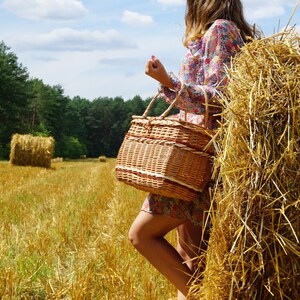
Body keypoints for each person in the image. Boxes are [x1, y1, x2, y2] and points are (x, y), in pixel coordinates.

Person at [128, 0, 256, 299]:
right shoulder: (215, 33)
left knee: (142, 235)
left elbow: (220, 98)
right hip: (192, 155)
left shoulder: (221, 31)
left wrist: (169, 81)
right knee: (193, 262)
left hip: (201, 159)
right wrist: (169, 87)